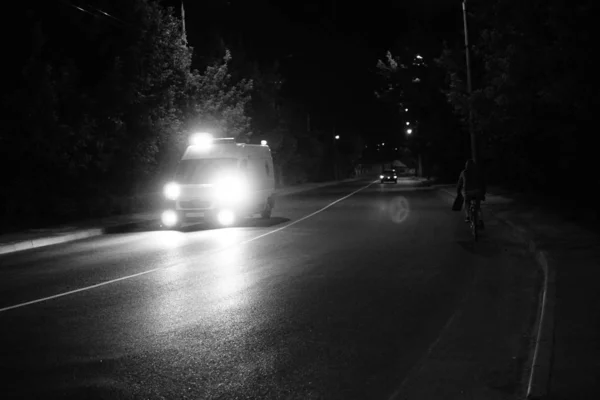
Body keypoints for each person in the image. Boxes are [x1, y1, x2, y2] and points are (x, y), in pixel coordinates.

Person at [456, 159, 486, 226]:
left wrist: (458, 192)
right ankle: (480, 220)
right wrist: (483, 193)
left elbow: (459, 184)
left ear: (466, 166)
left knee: (467, 203)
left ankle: (467, 217)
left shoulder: (463, 172)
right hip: (478, 191)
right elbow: (483, 183)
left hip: (467, 192)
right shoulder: (478, 172)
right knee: (478, 207)